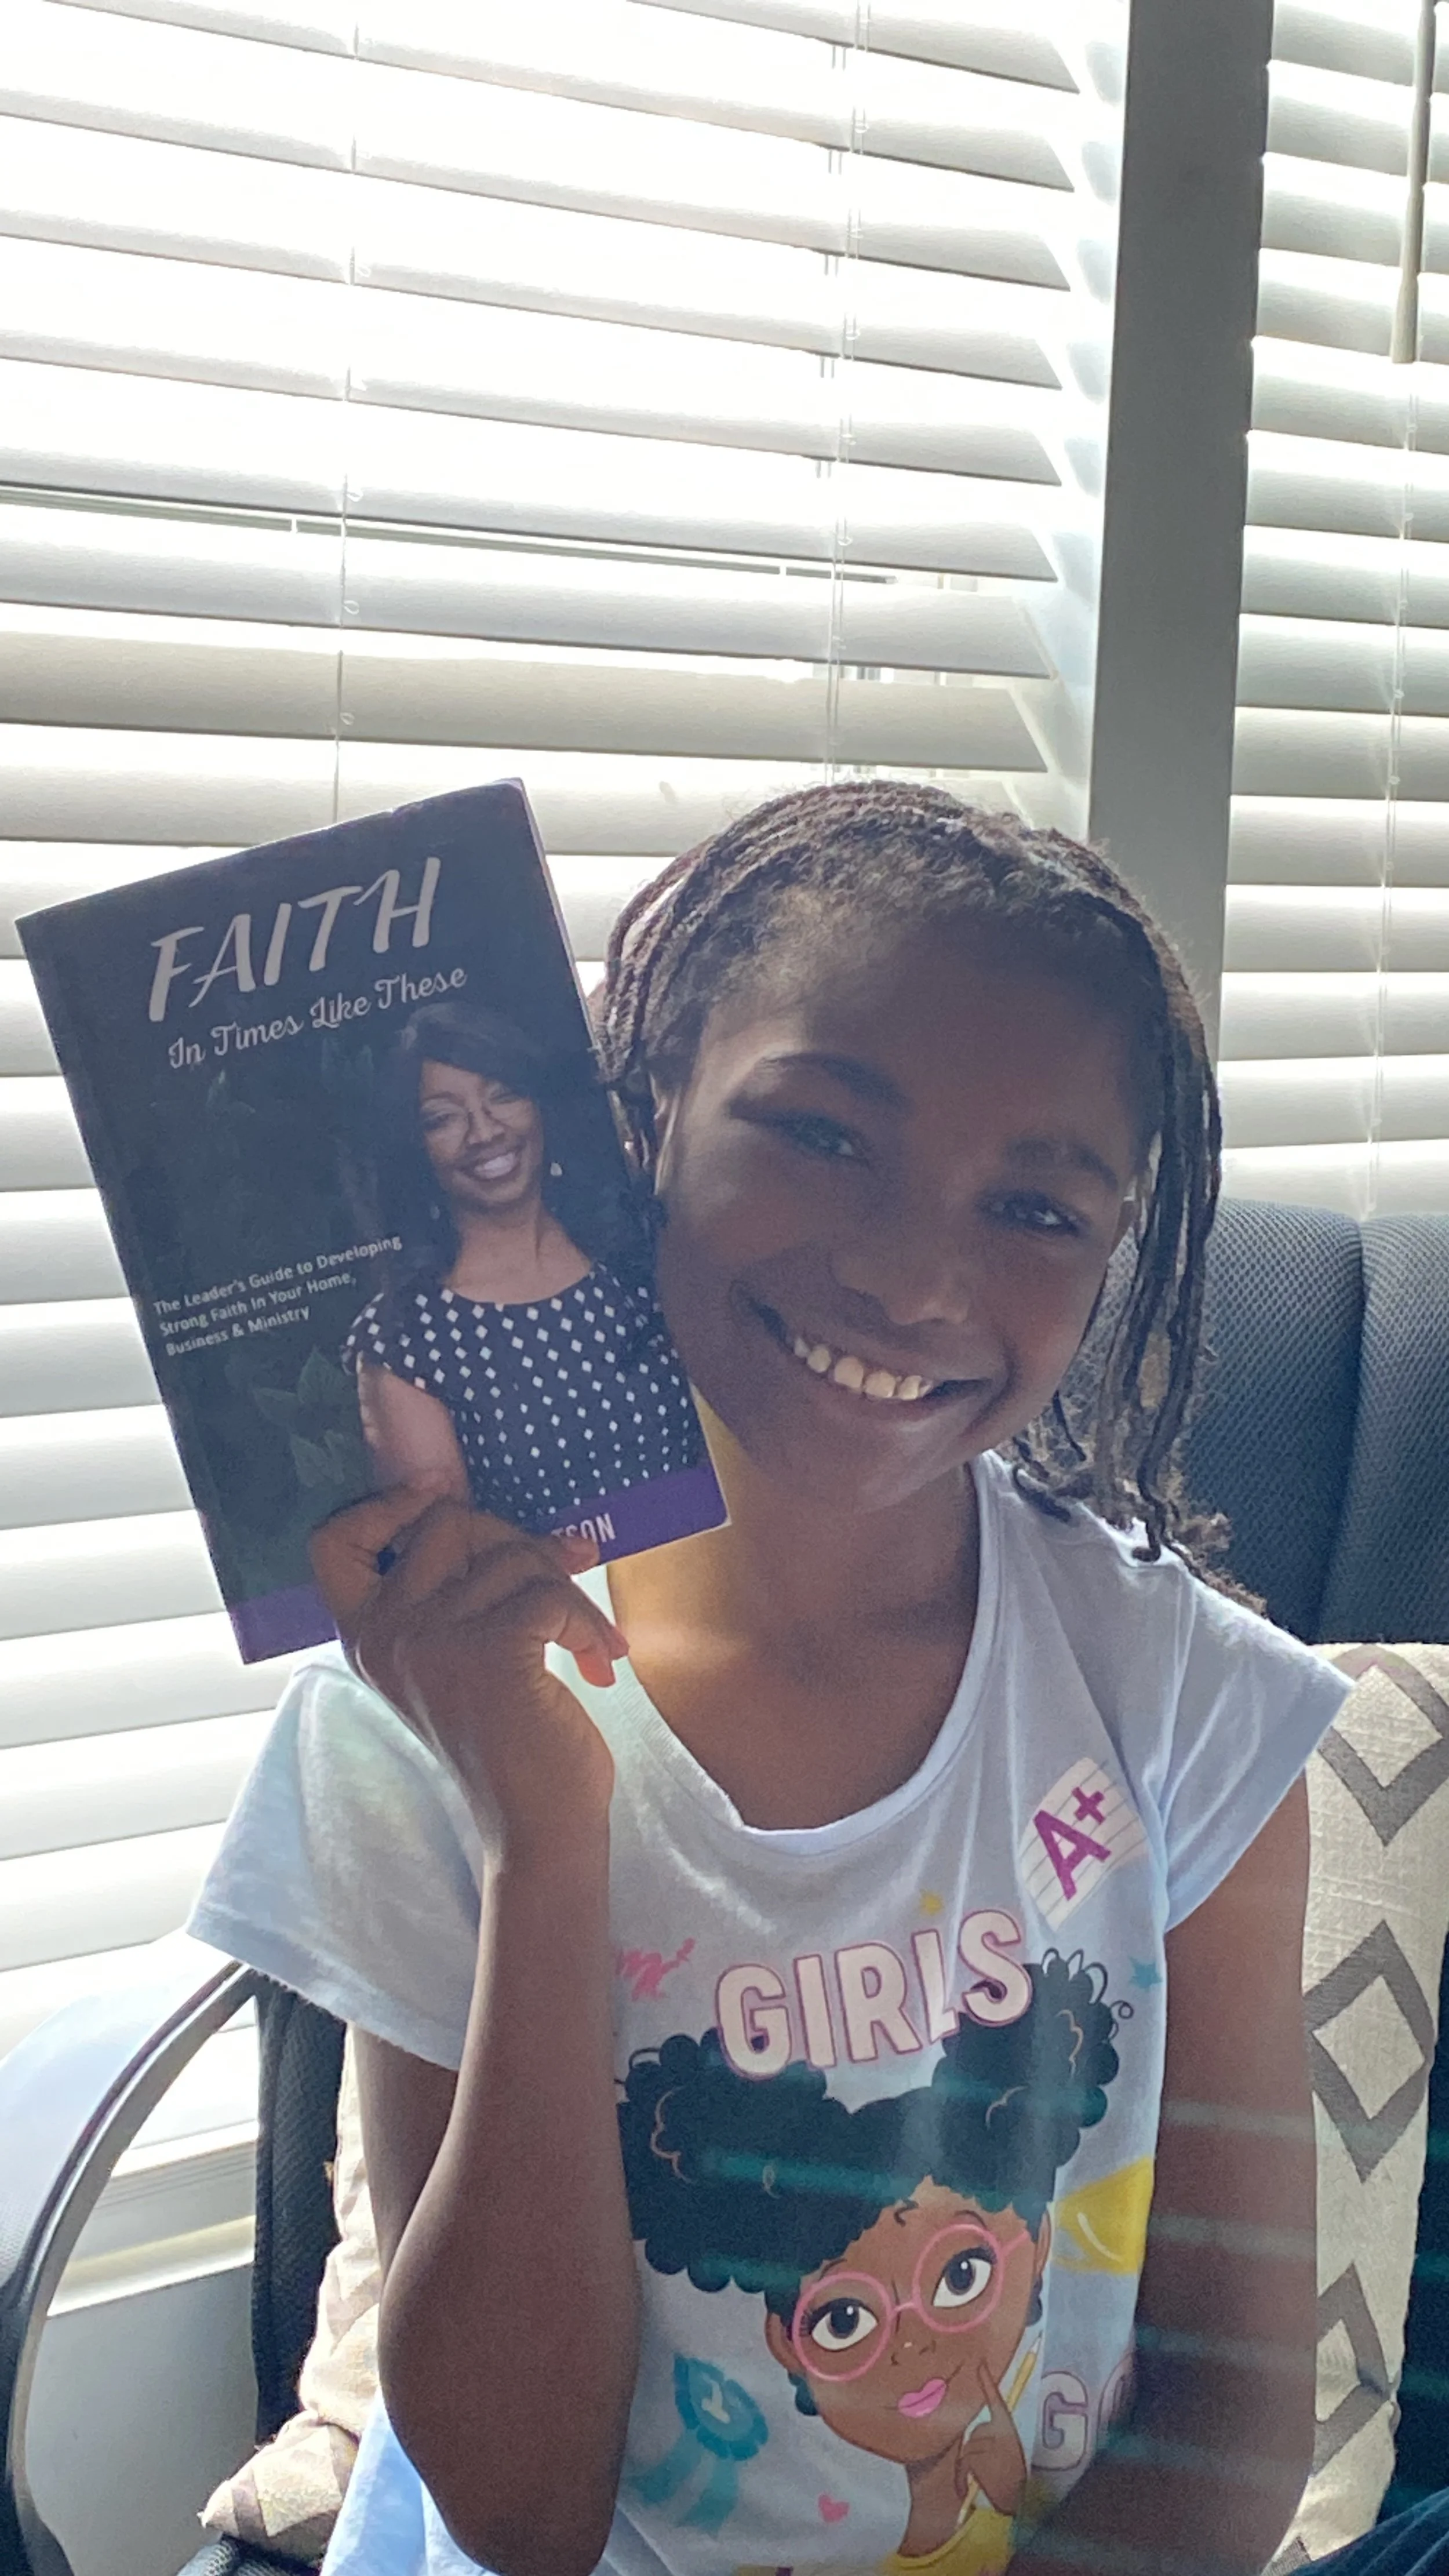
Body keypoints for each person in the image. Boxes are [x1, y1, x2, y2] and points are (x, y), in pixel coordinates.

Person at [190, 783, 1449, 2576]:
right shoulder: (418, 1711)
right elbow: (522, 2509)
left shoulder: (1182, 1703)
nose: (913, 1270)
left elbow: (1220, 2414)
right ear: (633, 1126)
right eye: (820, 1133)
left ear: (1108, 1258)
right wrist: (540, 1841)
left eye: (1032, 1202)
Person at [343, 999, 708, 1541]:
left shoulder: (641, 1250)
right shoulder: (402, 1340)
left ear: (540, 1106)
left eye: (504, 1095)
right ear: (416, 1148)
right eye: (444, 1118)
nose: (484, 1132)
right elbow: (452, 1568)